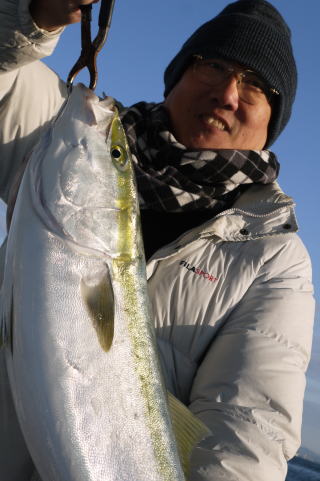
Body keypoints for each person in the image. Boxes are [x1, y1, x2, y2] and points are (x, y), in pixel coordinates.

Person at [0, 0, 315, 480]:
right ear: (178, 76)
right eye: (214, 65)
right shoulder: (74, 137)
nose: (229, 93)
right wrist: (29, 16)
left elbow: (248, 429)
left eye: (256, 85)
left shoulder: (273, 256)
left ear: (272, 121)